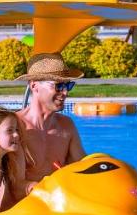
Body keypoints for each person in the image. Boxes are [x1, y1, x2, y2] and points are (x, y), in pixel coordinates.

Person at [15, 53, 86, 186]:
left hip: (57, 197)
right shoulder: (14, 127)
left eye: (68, 86)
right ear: (34, 86)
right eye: (58, 86)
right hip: (25, 199)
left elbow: (82, 168)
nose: (65, 92)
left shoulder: (66, 126)